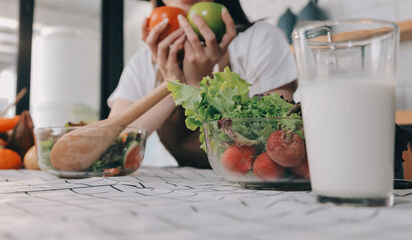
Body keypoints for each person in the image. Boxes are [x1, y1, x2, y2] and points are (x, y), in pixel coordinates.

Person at [108, 0, 297, 168]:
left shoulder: (260, 39)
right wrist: (174, 86)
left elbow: (278, 140)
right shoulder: (142, 63)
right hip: (181, 190)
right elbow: (111, 145)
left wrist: (200, 84)